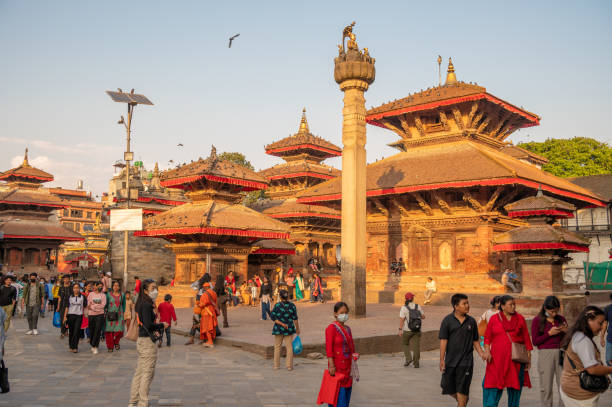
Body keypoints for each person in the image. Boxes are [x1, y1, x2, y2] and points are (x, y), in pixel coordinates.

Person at [483, 295, 533, 407]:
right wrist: (487, 351)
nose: (514, 306)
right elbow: (487, 338)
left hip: (516, 361)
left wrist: (529, 359)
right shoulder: (494, 319)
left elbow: (526, 339)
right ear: (503, 306)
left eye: (514, 304)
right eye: (511, 304)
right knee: (493, 388)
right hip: (497, 361)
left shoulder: (520, 318)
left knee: (515, 392)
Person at [439, 293, 485, 407]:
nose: (467, 305)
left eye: (467, 303)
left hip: (466, 362)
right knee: (446, 386)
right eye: (464, 303)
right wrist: (442, 360)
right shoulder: (447, 320)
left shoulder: (471, 321)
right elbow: (443, 340)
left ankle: (462, 402)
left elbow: (475, 340)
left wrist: (481, 353)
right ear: (456, 306)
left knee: (462, 389)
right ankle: (463, 400)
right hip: (450, 361)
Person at [561, 306, 612, 406]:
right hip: (579, 394)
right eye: (600, 323)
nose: (602, 327)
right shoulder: (583, 340)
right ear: (589, 320)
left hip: (572, 389)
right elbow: (592, 369)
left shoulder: (578, 335)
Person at [129, 279, 167, 407]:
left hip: (142, 340)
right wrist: (162, 325)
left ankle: (134, 400)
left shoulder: (143, 302)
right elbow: (148, 324)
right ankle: (142, 402)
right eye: (152, 288)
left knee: (140, 371)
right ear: (145, 290)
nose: (155, 291)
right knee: (147, 372)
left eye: (156, 288)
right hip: (146, 341)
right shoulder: (145, 304)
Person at [531, 296, 568, 407]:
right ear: (545, 308)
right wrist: (549, 334)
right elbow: (535, 341)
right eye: (552, 311)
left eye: (556, 311)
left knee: (563, 385)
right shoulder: (537, 320)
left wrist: (566, 332)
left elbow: (568, 339)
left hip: (561, 352)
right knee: (546, 387)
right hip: (546, 354)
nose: (554, 314)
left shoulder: (561, 319)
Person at [326, 302, 358, 407]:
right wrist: (331, 365)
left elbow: (352, 346)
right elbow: (329, 348)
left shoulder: (348, 329)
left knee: (347, 392)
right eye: (341, 313)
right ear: (335, 314)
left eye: (346, 313)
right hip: (337, 366)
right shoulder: (331, 328)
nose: (344, 315)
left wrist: (355, 355)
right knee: (337, 394)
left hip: (348, 366)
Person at [271, 289, 300, 370]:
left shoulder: (277, 305)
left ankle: (276, 365)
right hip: (289, 328)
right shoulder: (292, 306)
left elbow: (273, 317)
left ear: (280, 297)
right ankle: (289, 366)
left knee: (277, 347)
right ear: (287, 297)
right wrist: (297, 329)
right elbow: (295, 319)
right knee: (289, 347)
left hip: (278, 329)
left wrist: (281, 324)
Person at [398, 292, 424, 368]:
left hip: (407, 330)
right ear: (413, 298)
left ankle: (408, 358)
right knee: (416, 347)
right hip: (417, 329)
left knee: (405, 343)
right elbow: (423, 317)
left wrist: (400, 329)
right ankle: (416, 363)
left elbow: (402, 319)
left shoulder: (404, 308)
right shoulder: (418, 306)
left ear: (406, 299)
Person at [65, 282, 86, 353]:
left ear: (80, 289)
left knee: (77, 331)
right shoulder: (70, 296)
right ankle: (71, 345)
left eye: (77, 288)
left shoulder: (83, 297)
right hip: (71, 315)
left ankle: (75, 347)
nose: (76, 289)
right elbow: (67, 307)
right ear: (73, 289)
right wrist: (65, 317)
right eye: (75, 288)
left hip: (79, 316)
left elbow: (85, 307)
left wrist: (86, 316)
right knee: (71, 331)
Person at [87, 281, 107, 354]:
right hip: (91, 314)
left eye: (101, 286)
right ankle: (92, 343)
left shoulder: (103, 295)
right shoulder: (90, 294)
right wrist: (95, 307)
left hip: (100, 314)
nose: (100, 287)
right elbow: (88, 304)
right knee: (91, 330)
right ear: (95, 286)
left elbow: (103, 305)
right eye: (99, 286)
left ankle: (95, 346)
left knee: (98, 330)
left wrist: (94, 306)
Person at [105, 281, 125, 352]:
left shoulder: (122, 295)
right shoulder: (108, 295)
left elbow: (124, 305)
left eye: (117, 285)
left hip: (119, 315)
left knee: (119, 331)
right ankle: (110, 346)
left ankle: (116, 342)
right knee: (109, 331)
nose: (116, 287)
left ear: (119, 287)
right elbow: (106, 304)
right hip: (110, 315)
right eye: (114, 285)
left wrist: (123, 313)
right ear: (112, 287)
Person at [198, 282, 218, 348]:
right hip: (212, 311)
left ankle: (210, 341)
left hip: (206, 311)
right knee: (211, 326)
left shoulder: (205, 294)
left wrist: (198, 304)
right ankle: (210, 340)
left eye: (204, 287)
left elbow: (203, 304)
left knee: (207, 327)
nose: (203, 289)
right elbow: (215, 302)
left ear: (205, 287)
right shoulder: (214, 293)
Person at [600, 293, 612, 374]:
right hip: (610, 339)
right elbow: (604, 323)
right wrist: (602, 337)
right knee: (609, 360)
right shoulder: (608, 309)